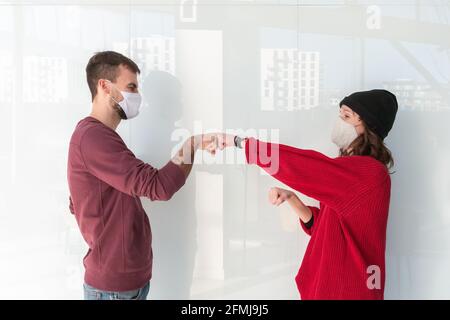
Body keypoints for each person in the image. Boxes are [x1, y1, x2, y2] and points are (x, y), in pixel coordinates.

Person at [216, 89, 398, 300]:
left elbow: (301, 166)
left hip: (346, 291)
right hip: (329, 288)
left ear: (368, 126)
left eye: (347, 116)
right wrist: (291, 198)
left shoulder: (368, 173)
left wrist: (240, 142)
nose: (339, 121)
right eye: (340, 115)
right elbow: (325, 228)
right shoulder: (352, 173)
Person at [67, 51, 216, 300]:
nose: (137, 96)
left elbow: (80, 201)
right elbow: (159, 186)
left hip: (127, 283)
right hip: (113, 289)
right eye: (131, 87)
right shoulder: (94, 138)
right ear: (104, 86)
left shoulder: (101, 137)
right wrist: (193, 144)